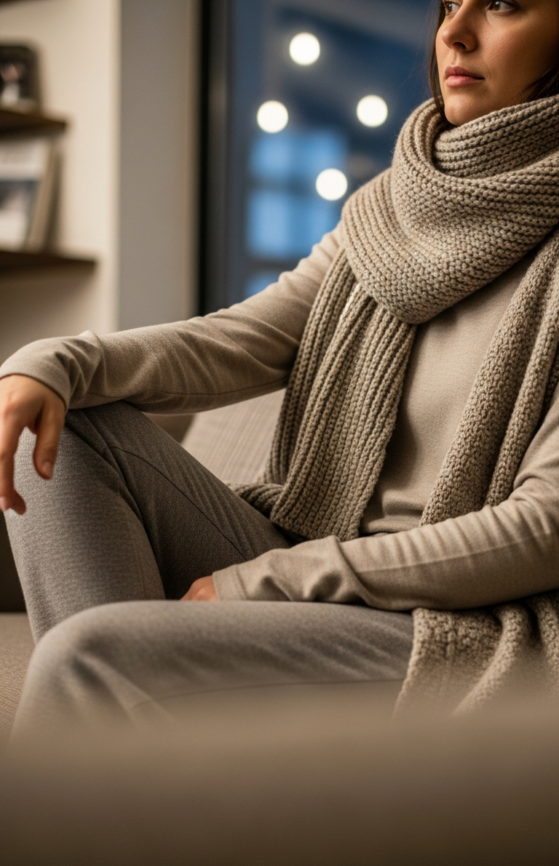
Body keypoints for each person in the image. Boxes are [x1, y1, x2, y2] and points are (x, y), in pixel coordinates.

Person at [2, 0, 559, 730]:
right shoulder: (387, 211)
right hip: (311, 553)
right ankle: (156, 790)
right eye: (448, 5)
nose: (453, 32)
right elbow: (234, 340)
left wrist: (269, 581)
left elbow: (543, 529)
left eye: (503, 5)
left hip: (451, 619)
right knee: (57, 421)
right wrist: (48, 363)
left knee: (88, 654)